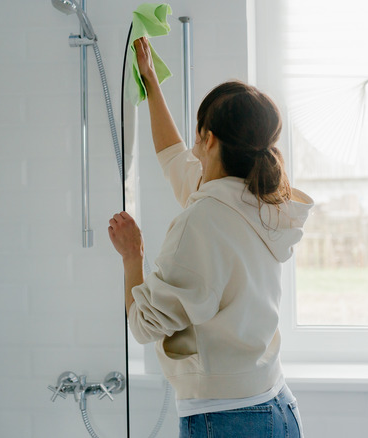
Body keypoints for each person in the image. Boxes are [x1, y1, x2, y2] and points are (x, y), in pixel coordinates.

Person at [107, 37, 314, 438]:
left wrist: (133, 256)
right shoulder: (261, 201)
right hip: (278, 406)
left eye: (198, 134)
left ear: (211, 139)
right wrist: (150, 82)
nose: (193, 142)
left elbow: (144, 324)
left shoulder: (201, 221)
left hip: (228, 419)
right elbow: (172, 156)